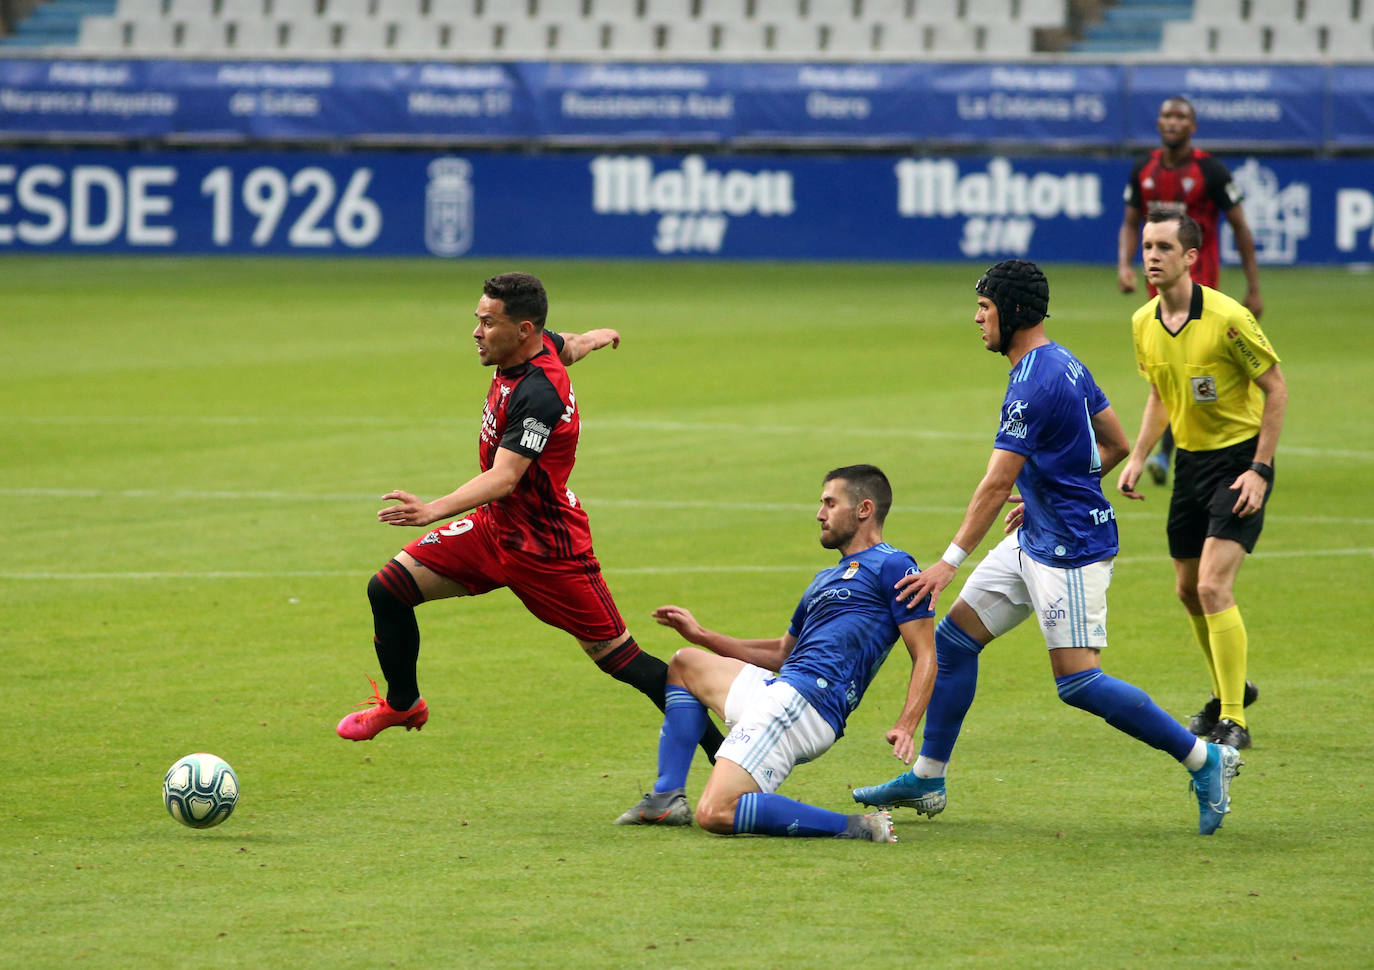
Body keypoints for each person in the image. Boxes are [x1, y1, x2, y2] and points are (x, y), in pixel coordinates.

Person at [852, 259, 1243, 836]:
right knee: (955, 642)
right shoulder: (1064, 362)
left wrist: (947, 564)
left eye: (984, 308)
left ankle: (1206, 759)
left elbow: (992, 485)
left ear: (1011, 312)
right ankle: (928, 777)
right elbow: (1113, 441)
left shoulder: (1030, 386)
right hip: (1038, 534)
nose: (976, 318)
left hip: (1073, 550)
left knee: (1079, 682)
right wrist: (1051, 495)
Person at [335, 272, 724, 764]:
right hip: (495, 529)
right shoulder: (537, 346)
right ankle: (403, 704)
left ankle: (730, 756)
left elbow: (505, 478)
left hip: (548, 548)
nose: (476, 332)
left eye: (487, 322)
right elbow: (572, 344)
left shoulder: (540, 392)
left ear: (522, 330)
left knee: (626, 663)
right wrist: (599, 337)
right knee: (387, 590)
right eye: (477, 320)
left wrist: (431, 510)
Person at [614, 465, 937, 843]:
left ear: (864, 509)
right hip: (780, 686)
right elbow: (782, 652)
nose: (820, 514)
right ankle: (666, 798)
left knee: (715, 812)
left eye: (830, 503)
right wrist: (702, 635)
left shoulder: (895, 565)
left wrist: (906, 723)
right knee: (686, 663)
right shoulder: (825, 579)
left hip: (808, 702)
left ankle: (858, 826)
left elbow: (925, 654)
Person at [1117, 212, 1287, 751]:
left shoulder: (1227, 318)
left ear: (1191, 257)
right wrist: (1138, 456)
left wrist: (1259, 470)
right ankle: (1228, 690)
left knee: (1214, 585)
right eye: (1147, 246)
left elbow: (1276, 388)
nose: (1152, 256)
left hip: (1238, 462)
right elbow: (1159, 393)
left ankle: (1233, 718)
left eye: (1164, 246)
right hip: (1189, 464)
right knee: (1187, 590)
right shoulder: (1144, 322)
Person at [1117, 95, 1264, 487]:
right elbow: (1131, 221)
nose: (1172, 121)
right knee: (1167, 380)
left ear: (1192, 126)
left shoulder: (1211, 171)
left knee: (1197, 376)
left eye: (1181, 116)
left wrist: (1253, 287)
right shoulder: (1143, 169)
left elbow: (1241, 228)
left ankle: (1208, 449)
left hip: (1203, 293)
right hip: (1158, 297)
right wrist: (1124, 265)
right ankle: (1174, 451)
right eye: (1166, 114)